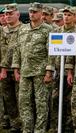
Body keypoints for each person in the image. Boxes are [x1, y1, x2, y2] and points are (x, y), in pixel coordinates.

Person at [11, 2, 54, 133]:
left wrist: (49, 71)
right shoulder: (23, 29)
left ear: (41, 13)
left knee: (41, 103)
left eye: (35, 12)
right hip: (25, 72)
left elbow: (51, 52)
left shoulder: (49, 29)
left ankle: (40, 130)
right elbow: (17, 50)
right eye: (30, 12)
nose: (32, 14)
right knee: (24, 103)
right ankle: (27, 129)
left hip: (40, 73)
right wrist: (16, 69)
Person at [0, 3, 23, 133]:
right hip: (4, 71)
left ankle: (24, 123)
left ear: (17, 14)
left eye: (10, 13)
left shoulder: (24, 29)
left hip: (19, 69)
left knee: (22, 98)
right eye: (6, 14)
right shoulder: (2, 31)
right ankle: (15, 124)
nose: (7, 16)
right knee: (8, 99)